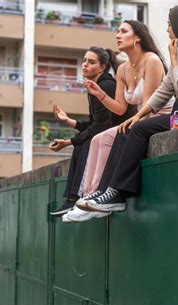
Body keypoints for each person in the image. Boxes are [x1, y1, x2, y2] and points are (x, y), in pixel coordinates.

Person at [76, 3, 178, 217]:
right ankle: (105, 192)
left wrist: (174, 59)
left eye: (170, 24)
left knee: (139, 131)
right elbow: (165, 90)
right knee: (127, 128)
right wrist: (137, 115)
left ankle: (117, 193)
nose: (168, 29)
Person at [62, 20, 172, 222]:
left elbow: (148, 105)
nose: (117, 35)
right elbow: (121, 107)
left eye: (123, 31)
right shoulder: (122, 69)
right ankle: (90, 197)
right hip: (141, 116)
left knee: (111, 136)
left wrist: (132, 122)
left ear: (137, 37)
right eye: (118, 31)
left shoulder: (152, 60)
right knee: (98, 140)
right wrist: (100, 94)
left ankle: (103, 195)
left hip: (160, 115)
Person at [49, 47, 135, 216]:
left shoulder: (106, 85)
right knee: (82, 144)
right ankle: (73, 199)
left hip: (119, 135)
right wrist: (68, 121)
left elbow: (100, 127)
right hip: (105, 133)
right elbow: (94, 123)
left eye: (91, 62)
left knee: (84, 144)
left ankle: (79, 197)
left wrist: (70, 142)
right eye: (84, 61)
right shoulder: (94, 86)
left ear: (102, 67)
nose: (85, 65)